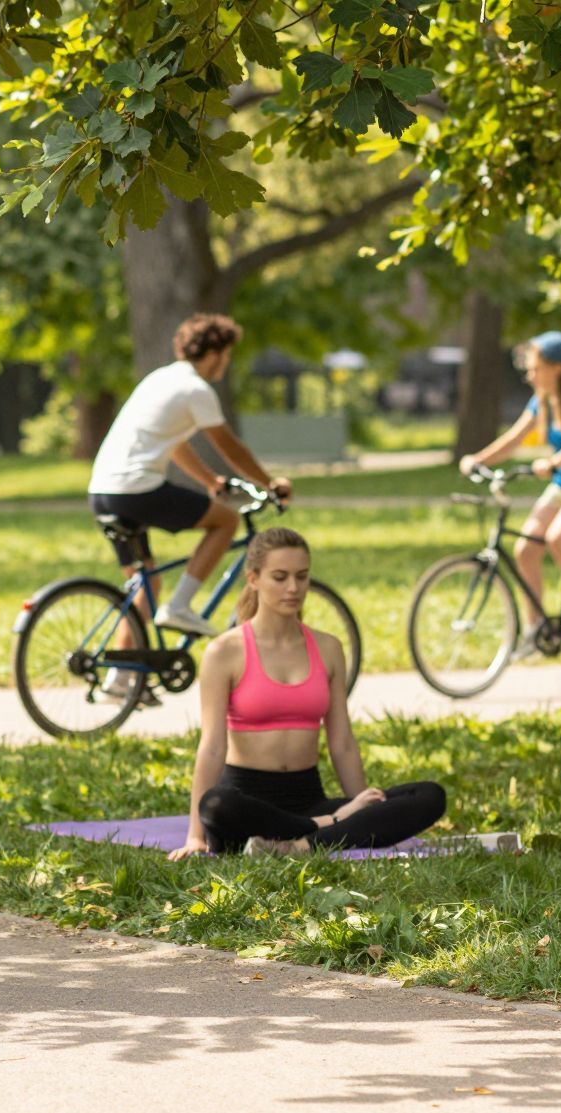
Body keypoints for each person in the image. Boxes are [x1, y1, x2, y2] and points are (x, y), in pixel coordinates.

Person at [169, 527, 446, 858]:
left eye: (302, 577)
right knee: (216, 803)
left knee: (430, 796)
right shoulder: (224, 651)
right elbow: (212, 747)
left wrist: (363, 807)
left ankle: (297, 844)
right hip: (247, 803)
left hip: (307, 797)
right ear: (253, 579)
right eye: (280, 577)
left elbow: (341, 742)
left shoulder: (328, 648)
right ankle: (325, 830)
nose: (293, 588)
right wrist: (195, 837)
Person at [89, 314, 290, 637]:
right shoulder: (196, 389)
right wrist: (269, 484)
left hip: (103, 491)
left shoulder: (159, 380)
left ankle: (121, 682)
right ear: (214, 353)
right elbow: (229, 447)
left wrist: (210, 481)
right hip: (137, 489)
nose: (226, 363)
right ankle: (180, 605)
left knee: (145, 584)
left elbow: (175, 444)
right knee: (226, 520)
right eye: (226, 355)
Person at [457, 331, 561, 646]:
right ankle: (536, 629)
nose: (529, 375)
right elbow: (513, 439)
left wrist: (554, 461)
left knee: (558, 538)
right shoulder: (540, 403)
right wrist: (478, 459)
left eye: (535, 368)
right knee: (525, 549)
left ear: (557, 368)